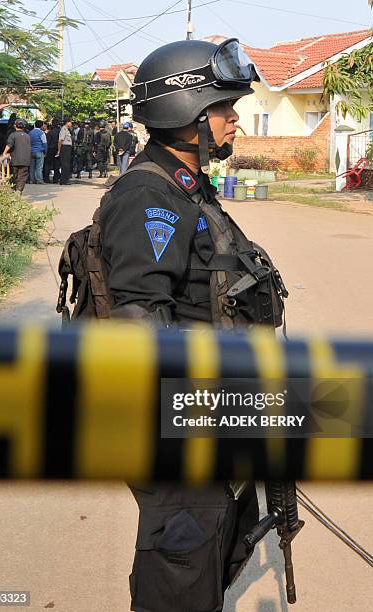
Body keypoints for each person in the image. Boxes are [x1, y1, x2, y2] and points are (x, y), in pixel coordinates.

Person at [99, 38, 271, 612]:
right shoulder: (149, 195)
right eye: (224, 109)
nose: (234, 122)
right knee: (181, 562)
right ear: (188, 113)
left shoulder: (183, 187)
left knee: (205, 551)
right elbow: (139, 321)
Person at [3, 118, 31, 193]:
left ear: (15, 126)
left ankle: (13, 190)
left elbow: (9, 145)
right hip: (25, 160)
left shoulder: (13, 135)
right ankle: (19, 191)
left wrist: (4, 153)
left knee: (14, 176)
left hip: (15, 160)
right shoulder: (27, 136)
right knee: (22, 177)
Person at [29, 119, 47, 184]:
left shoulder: (30, 132)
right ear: (41, 126)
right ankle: (39, 180)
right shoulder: (42, 133)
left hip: (31, 152)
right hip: (39, 151)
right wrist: (45, 152)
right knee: (39, 167)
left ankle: (32, 180)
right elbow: (44, 143)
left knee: (32, 167)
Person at [57, 118, 73, 185]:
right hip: (65, 148)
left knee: (67, 164)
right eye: (70, 122)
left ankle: (65, 179)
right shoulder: (63, 129)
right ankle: (63, 180)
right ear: (67, 122)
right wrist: (59, 150)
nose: (71, 124)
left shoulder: (67, 130)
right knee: (65, 165)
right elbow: (60, 141)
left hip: (67, 148)